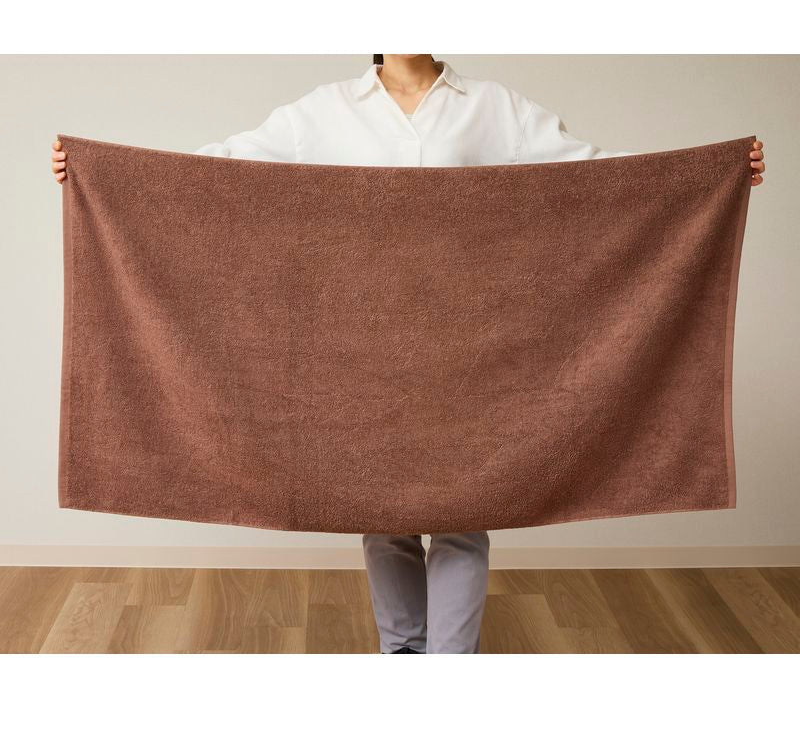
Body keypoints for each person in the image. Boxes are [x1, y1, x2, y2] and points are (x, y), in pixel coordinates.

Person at [51, 55, 766, 654]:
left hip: (473, 348)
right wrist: (99, 174)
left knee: (465, 514)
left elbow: (603, 176)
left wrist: (712, 174)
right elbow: (215, 171)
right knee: (382, 515)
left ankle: (449, 666)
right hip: (362, 350)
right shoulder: (323, 110)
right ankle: (402, 658)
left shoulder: (495, 107)